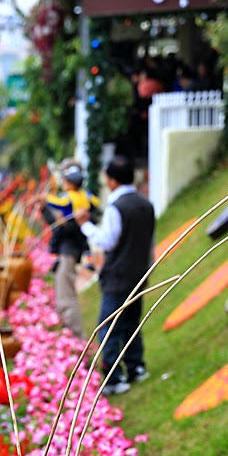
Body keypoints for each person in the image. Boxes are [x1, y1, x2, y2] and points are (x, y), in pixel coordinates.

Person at [75, 155, 155, 396]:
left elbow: (106, 241)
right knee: (131, 323)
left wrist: (85, 225)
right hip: (139, 272)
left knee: (109, 326)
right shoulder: (145, 203)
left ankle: (113, 377)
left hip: (118, 275)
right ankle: (136, 367)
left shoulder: (116, 207)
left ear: (111, 180)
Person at [40, 165, 100, 339]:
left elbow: (63, 224)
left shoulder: (69, 202)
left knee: (66, 298)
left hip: (68, 252)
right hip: (72, 248)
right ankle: (69, 336)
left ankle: (76, 338)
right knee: (63, 293)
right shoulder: (86, 198)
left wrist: (46, 204)